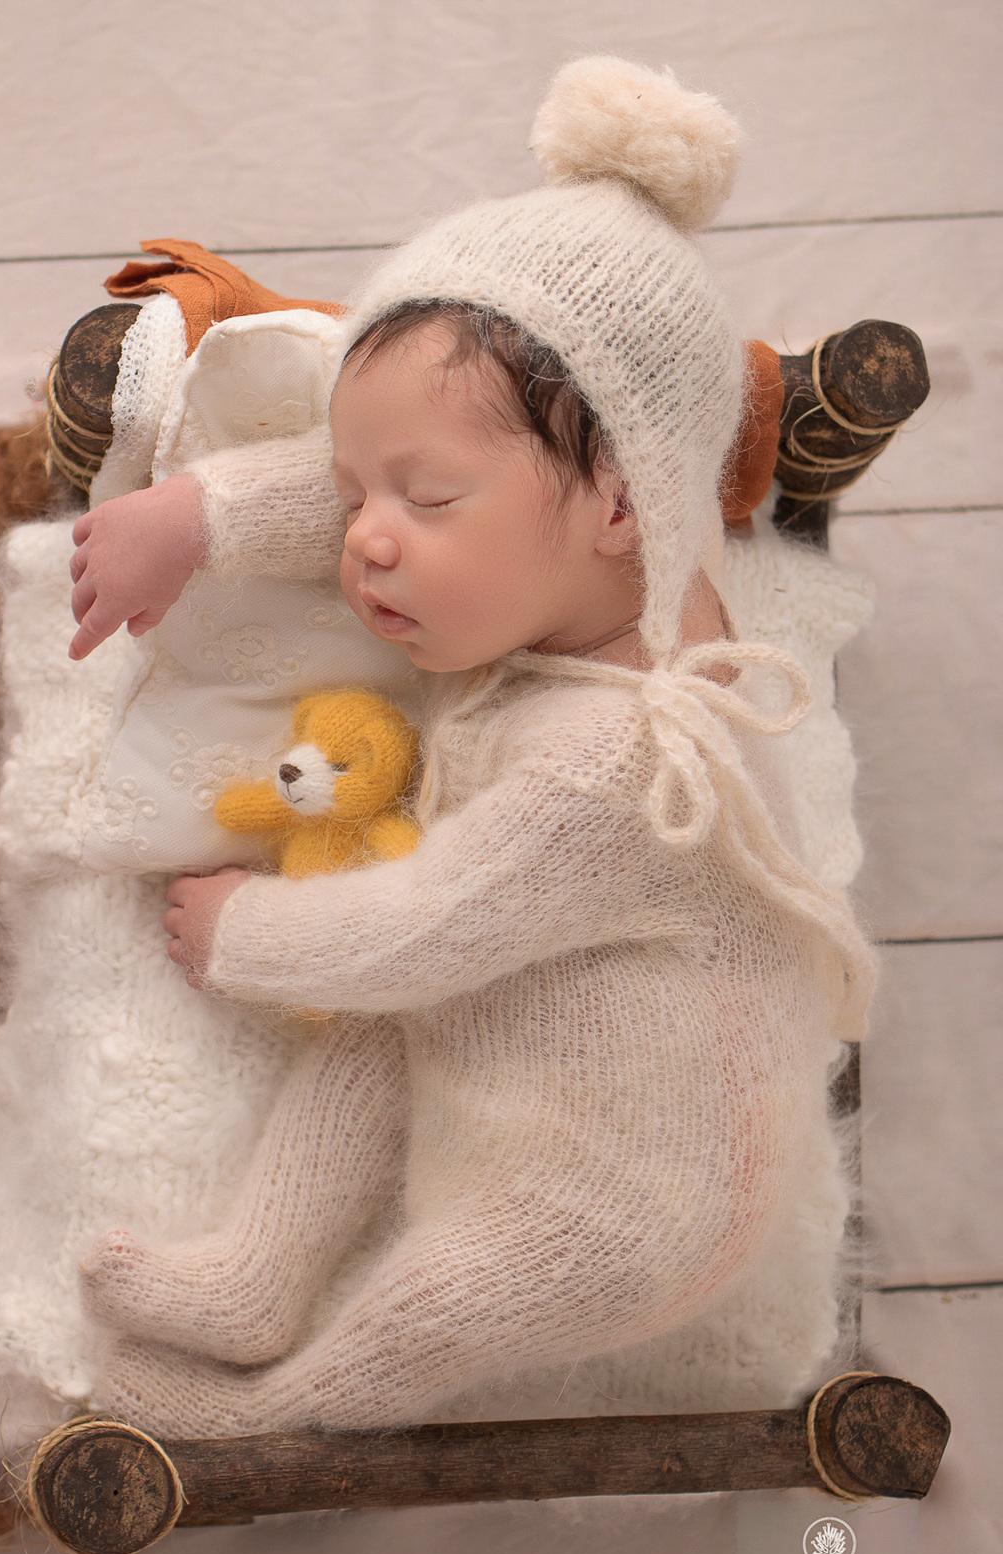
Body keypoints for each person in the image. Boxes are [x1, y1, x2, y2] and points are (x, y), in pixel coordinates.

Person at [65, 55, 874, 1439]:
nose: (366, 539)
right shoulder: (573, 582)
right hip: (502, 1038)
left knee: (431, 1299)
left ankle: (275, 1412)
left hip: (625, 1206)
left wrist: (247, 932)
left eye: (424, 500)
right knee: (378, 1046)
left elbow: (425, 926)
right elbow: (384, 493)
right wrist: (197, 516)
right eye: (354, 494)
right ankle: (258, 1275)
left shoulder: (623, 766)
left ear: (621, 501)